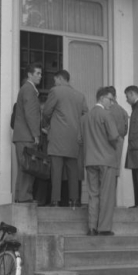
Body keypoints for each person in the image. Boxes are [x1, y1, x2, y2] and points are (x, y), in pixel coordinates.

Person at [43, 70, 88, 207]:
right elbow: (85, 116)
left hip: (58, 137)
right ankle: (74, 200)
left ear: (60, 78)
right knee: (73, 171)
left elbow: (46, 112)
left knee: (56, 171)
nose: (54, 82)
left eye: (55, 80)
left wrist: (48, 125)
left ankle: (55, 200)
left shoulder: (55, 91)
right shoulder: (80, 96)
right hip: (74, 139)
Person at [81, 87, 119, 236]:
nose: (112, 103)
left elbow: (80, 139)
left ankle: (92, 227)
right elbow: (114, 137)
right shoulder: (106, 114)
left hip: (90, 159)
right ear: (102, 98)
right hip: (106, 159)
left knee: (93, 194)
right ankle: (104, 228)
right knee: (106, 195)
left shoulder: (86, 117)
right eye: (110, 99)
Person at [12, 63, 42, 203]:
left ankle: (20, 197)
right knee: (27, 168)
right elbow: (30, 114)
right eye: (37, 73)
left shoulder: (26, 89)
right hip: (27, 136)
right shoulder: (29, 89)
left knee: (24, 168)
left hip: (22, 135)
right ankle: (25, 198)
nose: (40, 76)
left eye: (40, 73)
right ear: (29, 74)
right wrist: (36, 134)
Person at [107, 86, 129, 179]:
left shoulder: (105, 110)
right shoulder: (123, 111)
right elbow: (124, 131)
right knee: (114, 174)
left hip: (105, 146)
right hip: (118, 144)